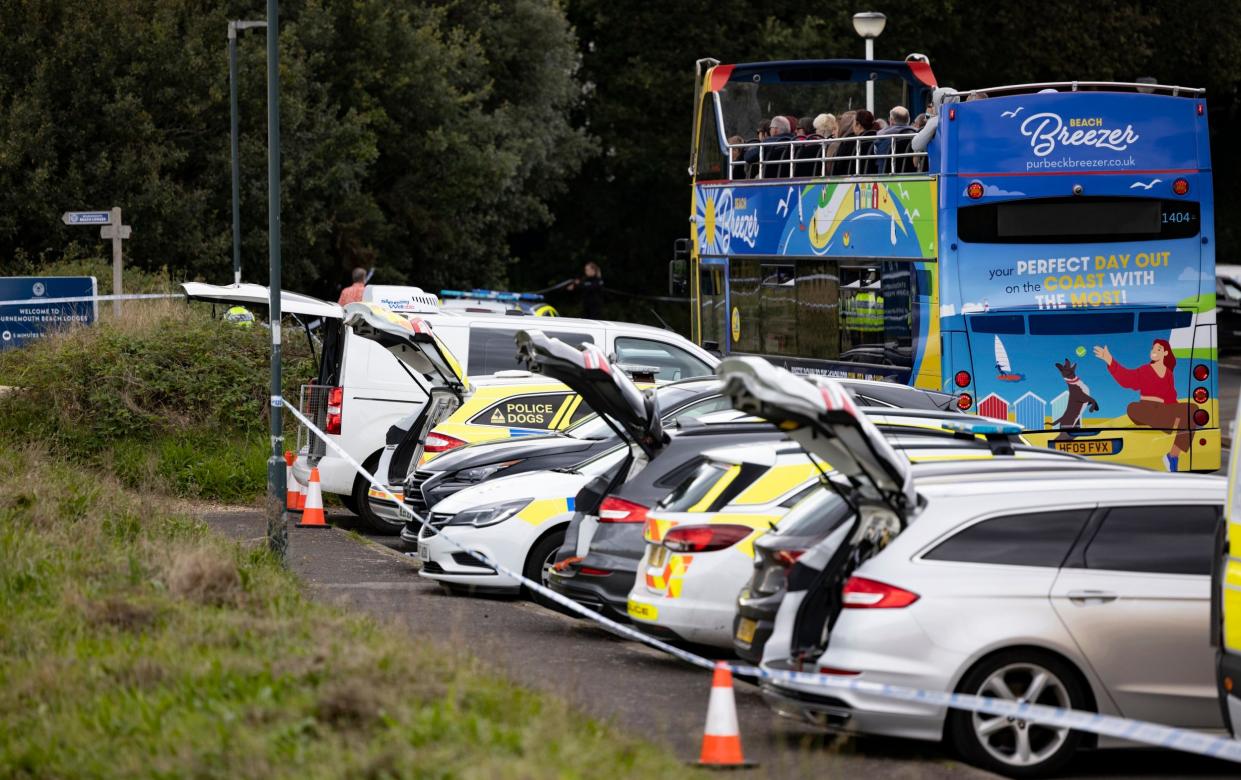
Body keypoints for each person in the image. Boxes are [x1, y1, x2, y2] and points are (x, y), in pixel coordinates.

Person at [1093, 339, 1193, 471]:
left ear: (1166, 353)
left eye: (1158, 349)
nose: (1154, 351)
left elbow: (1171, 397)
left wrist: (1184, 417)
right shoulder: (1145, 370)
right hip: (1145, 408)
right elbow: (1127, 379)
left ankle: (1172, 456)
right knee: (1132, 408)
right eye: (1153, 349)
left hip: (1162, 410)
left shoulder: (1168, 374)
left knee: (1192, 409)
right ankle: (1168, 424)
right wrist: (1109, 359)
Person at [874, 106, 913, 174]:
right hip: (913, 173)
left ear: (891, 120)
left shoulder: (881, 136)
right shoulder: (916, 134)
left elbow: (875, 154)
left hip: (885, 175)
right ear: (909, 120)